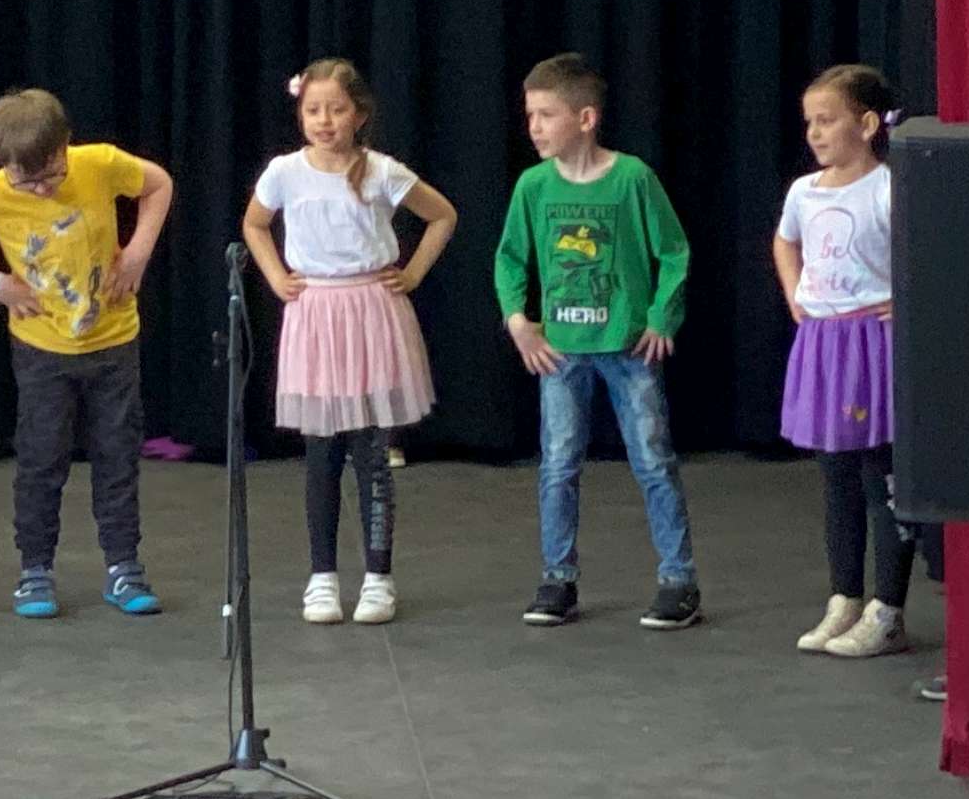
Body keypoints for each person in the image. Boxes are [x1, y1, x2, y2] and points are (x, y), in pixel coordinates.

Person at [241, 59, 458, 627]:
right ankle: (322, 577)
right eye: (313, 110)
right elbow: (254, 224)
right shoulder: (285, 172)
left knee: (371, 453)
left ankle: (379, 578)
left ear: (359, 114)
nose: (324, 120)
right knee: (321, 454)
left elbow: (441, 215)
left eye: (337, 110)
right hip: (315, 315)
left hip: (371, 313)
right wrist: (275, 275)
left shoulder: (381, 170)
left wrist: (412, 273)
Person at [496, 52, 702, 630]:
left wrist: (662, 318)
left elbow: (674, 251)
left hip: (627, 349)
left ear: (585, 118)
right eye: (530, 115)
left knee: (653, 461)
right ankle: (556, 578)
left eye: (546, 115)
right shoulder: (534, 186)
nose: (534, 127)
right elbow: (510, 258)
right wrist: (518, 321)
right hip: (562, 351)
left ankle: (679, 580)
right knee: (558, 465)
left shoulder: (632, 179)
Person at [0, 89, 175, 623]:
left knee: (117, 457)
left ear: (65, 146)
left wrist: (139, 251)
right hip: (42, 349)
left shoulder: (97, 163)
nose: (41, 188)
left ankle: (124, 565)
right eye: (26, 181)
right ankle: (35, 568)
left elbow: (158, 185)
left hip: (113, 340)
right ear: (2, 163)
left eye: (51, 174)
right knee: (40, 459)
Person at [774, 63, 910, 659]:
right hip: (824, 342)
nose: (814, 133)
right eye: (810, 122)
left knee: (880, 477)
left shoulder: (889, 188)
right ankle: (844, 598)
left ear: (868, 124)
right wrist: (795, 292)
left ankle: (887, 610)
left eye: (827, 121)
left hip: (871, 344)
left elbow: (927, 248)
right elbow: (785, 239)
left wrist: (907, 298)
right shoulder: (804, 191)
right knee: (835, 477)